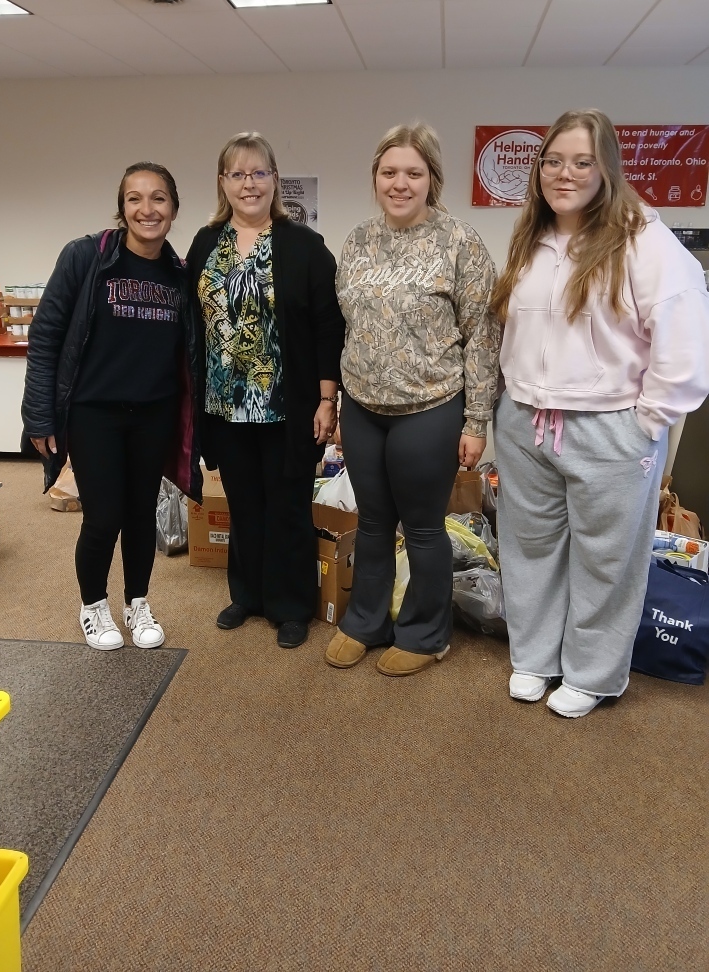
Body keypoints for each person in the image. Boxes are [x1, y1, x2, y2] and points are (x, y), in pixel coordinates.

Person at [491, 108, 709, 718]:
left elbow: (685, 345)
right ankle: (534, 658)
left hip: (611, 428)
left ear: (607, 167)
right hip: (526, 422)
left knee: (606, 559)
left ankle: (592, 673)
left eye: (582, 161)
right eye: (553, 161)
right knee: (529, 549)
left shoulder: (645, 241)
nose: (565, 173)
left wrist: (648, 422)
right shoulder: (532, 237)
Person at [325, 123, 501, 676]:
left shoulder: (460, 241)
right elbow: (346, 326)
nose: (399, 183)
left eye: (413, 173)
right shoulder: (357, 241)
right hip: (363, 406)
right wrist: (338, 400)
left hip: (430, 407)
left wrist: (476, 421)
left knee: (423, 527)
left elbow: (482, 336)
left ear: (432, 179)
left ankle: (426, 634)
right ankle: (365, 622)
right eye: (389, 172)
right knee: (373, 522)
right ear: (376, 178)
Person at [22, 163, 203, 651]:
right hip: (94, 412)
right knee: (103, 518)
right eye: (135, 198)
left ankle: (137, 602)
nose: (147, 209)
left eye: (159, 198)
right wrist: (38, 414)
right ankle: (94, 605)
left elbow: (189, 352)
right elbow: (46, 337)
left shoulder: (179, 273)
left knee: (141, 513)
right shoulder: (86, 257)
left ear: (174, 208)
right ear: (122, 208)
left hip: (154, 412)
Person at [185, 133, 344, 649]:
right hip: (223, 406)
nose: (248, 183)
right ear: (222, 182)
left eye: (258, 173)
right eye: (237, 174)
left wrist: (327, 400)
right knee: (244, 504)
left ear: (275, 179)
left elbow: (328, 327)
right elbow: (192, 323)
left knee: (288, 507)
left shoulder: (304, 246)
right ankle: (247, 595)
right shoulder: (205, 244)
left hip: (285, 406)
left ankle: (291, 604)